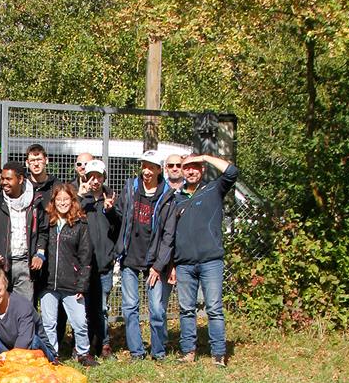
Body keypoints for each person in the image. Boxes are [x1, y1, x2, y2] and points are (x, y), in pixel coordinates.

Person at [173, 152, 239, 366]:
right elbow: (169, 234)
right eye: (187, 167)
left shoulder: (213, 189)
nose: (190, 171)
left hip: (211, 261)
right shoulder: (176, 197)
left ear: (201, 169)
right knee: (186, 309)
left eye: (195, 167)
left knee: (214, 308)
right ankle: (188, 351)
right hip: (184, 264)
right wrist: (172, 264)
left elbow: (231, 172)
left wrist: (205, 157)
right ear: (182, 171)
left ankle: (218, 353)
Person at [115, 152, 178, 362]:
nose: (146, 171)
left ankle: (158, 351)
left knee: (157, 309)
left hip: (154, 262)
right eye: (144, 166)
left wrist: (158, 265)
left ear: (160, 170)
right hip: (130, 258)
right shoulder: (131, 188)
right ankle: (136, 351)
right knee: (129, 307)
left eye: (151, 167)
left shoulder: (168, 196)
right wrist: (109, 210)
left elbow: (169, 236)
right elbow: (119, 215)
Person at [39, 184, 94, 365]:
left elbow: (86, 257)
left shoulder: (80, 224)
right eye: (59, 200)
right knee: (49, 323)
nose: (62, 203)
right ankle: (52, 354)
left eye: (66, 199)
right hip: (49, 283)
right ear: (53, 202)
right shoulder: (48, 223)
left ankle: (83, 353)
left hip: (72, 283)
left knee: (79, 321)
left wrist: (82, 284)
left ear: (72, 201)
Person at [0, 160, 49, 300]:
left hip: (25, 265)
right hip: (1, 266)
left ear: (21, 179)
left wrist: (39, 253)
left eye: (8, 179)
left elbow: (44, 232)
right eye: (2, 178)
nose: (4, 182)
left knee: (24, 310)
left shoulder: (36, 203)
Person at [79, 159, 120, 358]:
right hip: (84, 266)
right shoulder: (80, 199)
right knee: (85, 309)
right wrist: (80, 196)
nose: (95, 181)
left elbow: (119, 227)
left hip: (104, 264)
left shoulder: (111, 198)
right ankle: (84, 347)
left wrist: (110, 210)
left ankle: (104, 346)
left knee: (102, 308)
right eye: (91, 176)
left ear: (104, 177)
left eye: (99, 176)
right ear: (85, 177)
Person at [25, 144, 53, 209]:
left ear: (46, 160)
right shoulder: (23, 186)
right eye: (32, 160)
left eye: (39, 159)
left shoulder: (56, 186)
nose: (36, 164)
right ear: (27, 163)